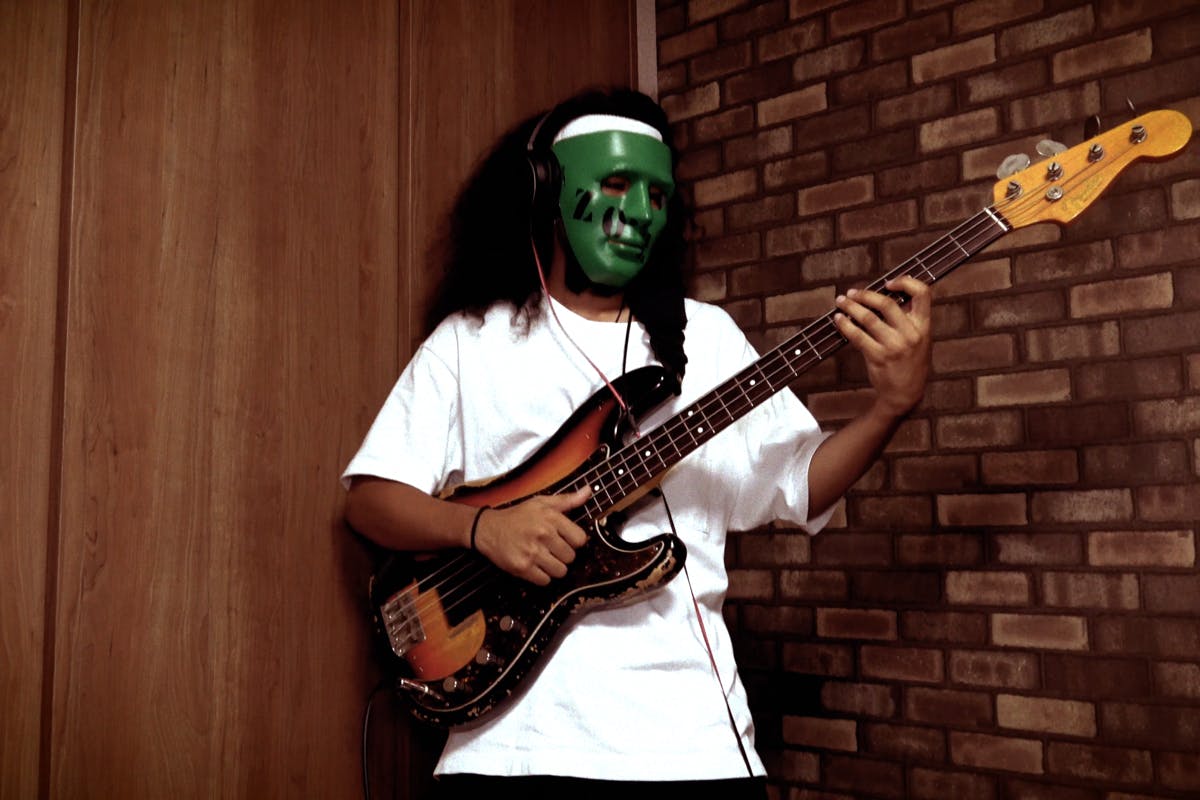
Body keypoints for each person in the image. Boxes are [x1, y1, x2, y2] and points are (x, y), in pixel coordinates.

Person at [343, 87, 931, 800]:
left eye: (657, 195)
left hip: (692, 748)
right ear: (546, 190)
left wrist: (890, 407)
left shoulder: (706, 337)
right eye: (618, 184)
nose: (641, 212)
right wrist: (484, 529)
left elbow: (800, 485)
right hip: (511, 749)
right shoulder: (473, 340)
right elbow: (371, 502)